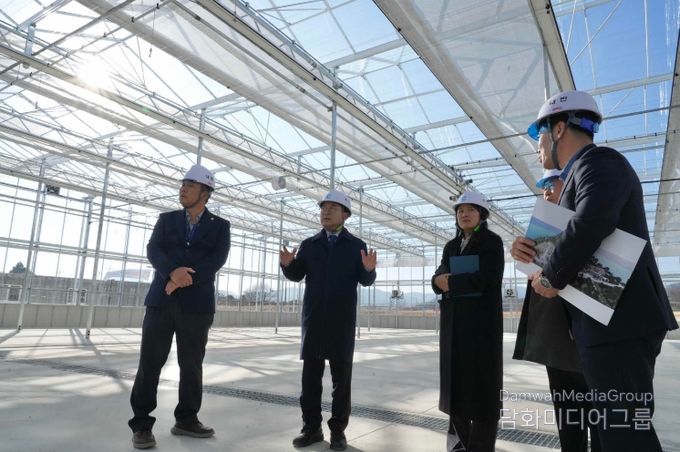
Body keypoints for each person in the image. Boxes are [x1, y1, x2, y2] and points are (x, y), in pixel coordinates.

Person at [513, 90, 678, 451]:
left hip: (620, 325)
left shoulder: (599, 162)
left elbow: (591, 221)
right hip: (603, 325)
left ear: (559, 129)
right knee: (611, 431)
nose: (537, 148)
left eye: (539, 136)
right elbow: (578, 232)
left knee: (625, 434)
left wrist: (551, 276)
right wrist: (528, 250)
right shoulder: (580, 173)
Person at [128, 164, 231, 449]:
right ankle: (142, 425)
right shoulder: (166, 220)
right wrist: (172, 273)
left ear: (205, 193)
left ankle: (186, 418)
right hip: (161, 302)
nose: (183, 189)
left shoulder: (220, 226)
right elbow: (153, 250)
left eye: (190, 185)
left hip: (197, 306)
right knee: (150, 363)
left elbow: (216, 260)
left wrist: (183, 280)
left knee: (191, 365)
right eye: (183, 184)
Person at [280, 188, 376, 451]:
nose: (326, 212)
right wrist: (288, 265)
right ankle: (311, 429)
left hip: (341, 322)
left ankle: (338, 432)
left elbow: (365, 280)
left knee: (341, 383)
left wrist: (369, 270)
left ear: (345, 214)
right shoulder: (309, 245)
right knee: (310, 381)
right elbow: (297, 275)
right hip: (314, 321)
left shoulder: (356, 246)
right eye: (323, 208)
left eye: (333, 208)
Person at [512, 169, 600, 452]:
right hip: (556, 340)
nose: (546, 190)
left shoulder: (594, 223)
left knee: (601, 423)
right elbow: (539, 282)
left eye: (553, 183)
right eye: (544, 186)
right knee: (569, 424)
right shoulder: (543, 232)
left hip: (590, 339)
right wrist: (524, 254)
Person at [431, 190, 504, 452]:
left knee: (483, 388)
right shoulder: (451, 245)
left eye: (470, 210)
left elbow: (488, 278)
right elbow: (439, 274)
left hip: (481, 326)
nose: (464, 214)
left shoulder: (492, 242)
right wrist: (438, 281)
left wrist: (449, 282)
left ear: (481, 214)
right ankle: (458, 444)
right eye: (460, 211)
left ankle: (481, 446)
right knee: (457, 387)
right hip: (454, 325)